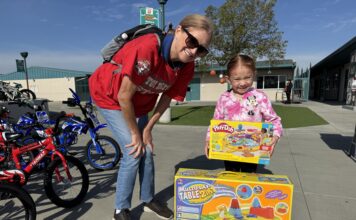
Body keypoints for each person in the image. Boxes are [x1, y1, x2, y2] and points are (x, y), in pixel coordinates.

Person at [89, 14, 213, 220]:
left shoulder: (187, 65)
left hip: (138, 103)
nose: (193, 51)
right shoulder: (147, 48)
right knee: (134, 151)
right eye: (192, 42)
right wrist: (134, 133)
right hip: (109, 95)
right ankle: (121, 210)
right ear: (180, 30)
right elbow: (124, 96)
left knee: (147, 149)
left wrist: (147, 130)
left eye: (201, 49)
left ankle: (147, 199)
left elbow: (167, 97)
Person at [204, 54, 283, 173]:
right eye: (237, 79)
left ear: (254, 75)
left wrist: (274, 137)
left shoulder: (260, 97)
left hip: (252, 150)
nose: (242, 83)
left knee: (248, 180)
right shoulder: (224, 98)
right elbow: (216, 122)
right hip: (229, 150)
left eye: (247, 77)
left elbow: (273, 120)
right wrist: (209, 140)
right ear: (228, 79)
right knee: (231, 177)